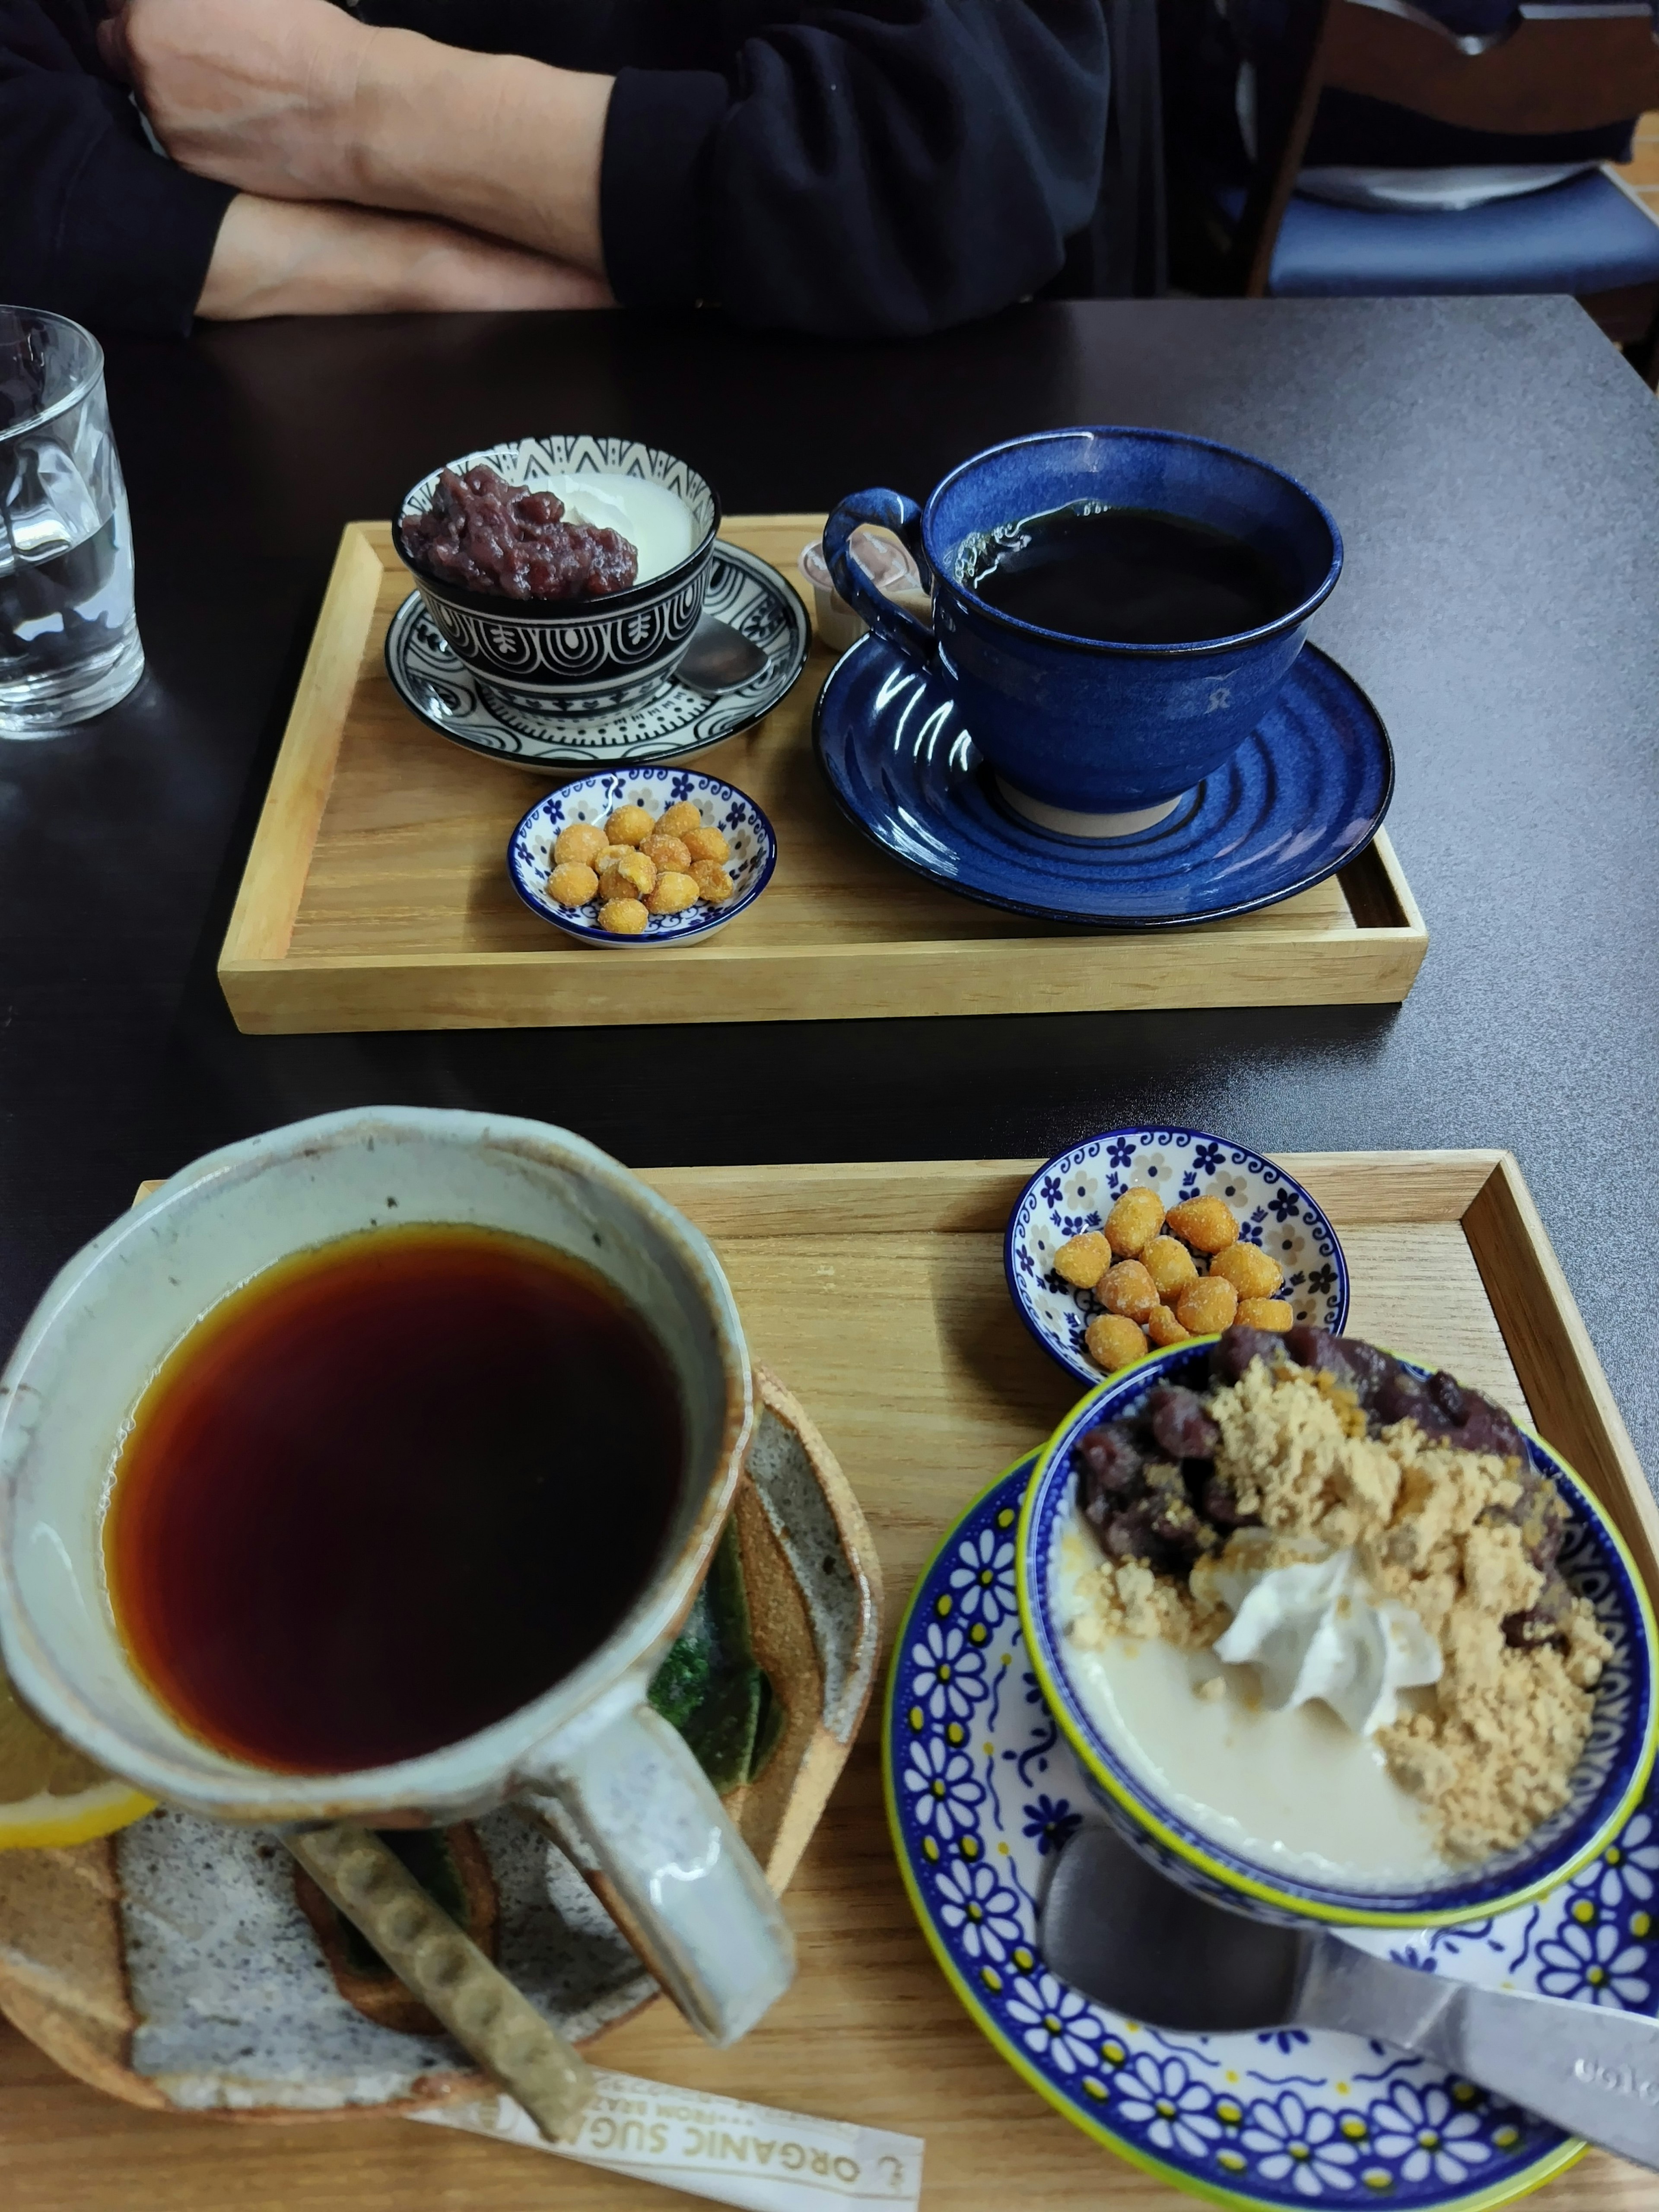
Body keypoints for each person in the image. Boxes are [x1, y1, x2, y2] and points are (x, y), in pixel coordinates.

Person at [1, 0, 1142, 339]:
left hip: (807, 486)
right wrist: (412, 263)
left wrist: (351, 102)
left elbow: (940, 166)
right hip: (184, 478)